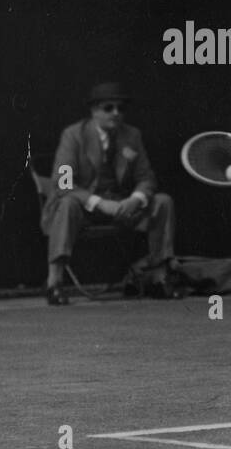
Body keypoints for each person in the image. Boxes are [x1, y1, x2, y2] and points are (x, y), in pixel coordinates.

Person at [40, 83, 176, 306]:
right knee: (67, 205)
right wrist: (99, 203)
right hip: (84, 209)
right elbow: (62, 182)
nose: (116, 113)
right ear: (94, 111)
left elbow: (147, 178)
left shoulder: (132, 135)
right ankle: (54, 282)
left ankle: (160, 279)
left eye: (120, 109)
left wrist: (135, 199)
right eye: (108, 108)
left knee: (163, 201)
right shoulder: (74, 135)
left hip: (122, 207)